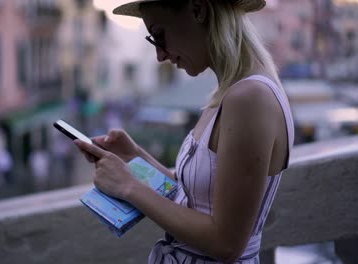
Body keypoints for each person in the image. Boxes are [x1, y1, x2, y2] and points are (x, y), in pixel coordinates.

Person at [74, 0, 295, 263]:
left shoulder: (248, 97)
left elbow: (227, 243)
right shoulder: (231, 93)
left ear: (198, 10)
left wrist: (129, 186)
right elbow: (195, 198)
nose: (160, 55)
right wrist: (135, 157)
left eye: (159, 35)